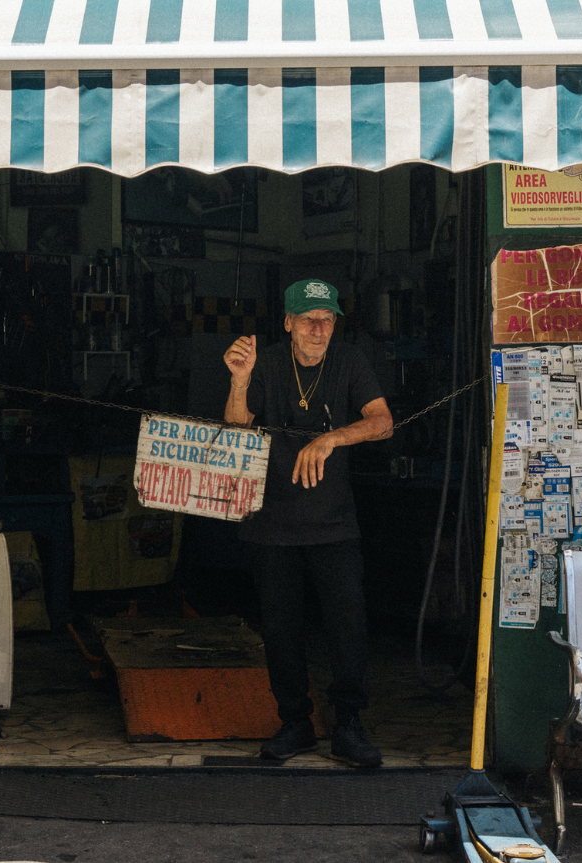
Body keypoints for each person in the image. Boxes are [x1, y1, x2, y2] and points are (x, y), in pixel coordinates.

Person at [222, 278, 393, 768]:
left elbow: (382, 421)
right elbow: (236, 428)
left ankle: (348, 725)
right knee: (280, 628)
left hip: (333, 524)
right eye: (309, 320)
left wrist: (331, 438)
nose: (319, 330)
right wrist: (239, 380)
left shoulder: (349, 361)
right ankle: (295, 722)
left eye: (327, 319)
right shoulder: (267, 363)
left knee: (348, 625)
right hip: (271, 522)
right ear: (288, 323)